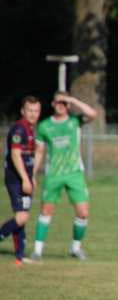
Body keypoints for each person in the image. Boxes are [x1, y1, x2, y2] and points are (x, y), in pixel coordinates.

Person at [31, 91, 97, 261]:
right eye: (58, 102)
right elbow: (39, 151)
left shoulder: (75, 121)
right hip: (53, 174)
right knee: (46, 211)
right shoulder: (45, 126)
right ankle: (37, 251)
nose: (61, 105)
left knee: (83, 213)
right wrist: (32, 175)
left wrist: (73, 99)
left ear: (68, 104)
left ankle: (75, 249)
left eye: (64, 102)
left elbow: (93, 114)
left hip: (74, 174)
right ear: (52, 104)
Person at [1, 96, 41, 265]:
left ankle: (19, 256)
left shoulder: (30, 130)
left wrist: (32, 176)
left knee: (21, 216)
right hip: (15, 180)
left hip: (24, 179)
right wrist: (25, 179)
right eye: (30, 110)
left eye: (36, 111)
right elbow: (16, 155)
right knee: (22, 217)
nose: (33, 114)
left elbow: (29, 157)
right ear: (23, 112)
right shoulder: (19, 130)